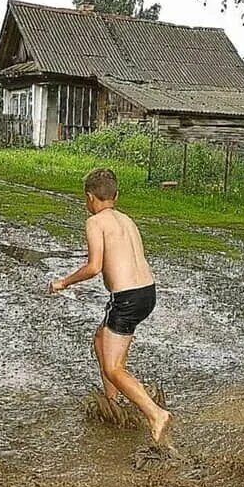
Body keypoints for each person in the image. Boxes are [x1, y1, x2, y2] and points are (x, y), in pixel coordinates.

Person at [48, 167, 172, 445]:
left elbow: (94, 267)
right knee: (101, 340)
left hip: (127, 299)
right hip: (147, 293)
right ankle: (112, 402)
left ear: (89, 198)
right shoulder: (127, 220)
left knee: (114, 366)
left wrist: (63, 283)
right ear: (116, 195)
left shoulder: (95, 223)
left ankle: (155, 414)